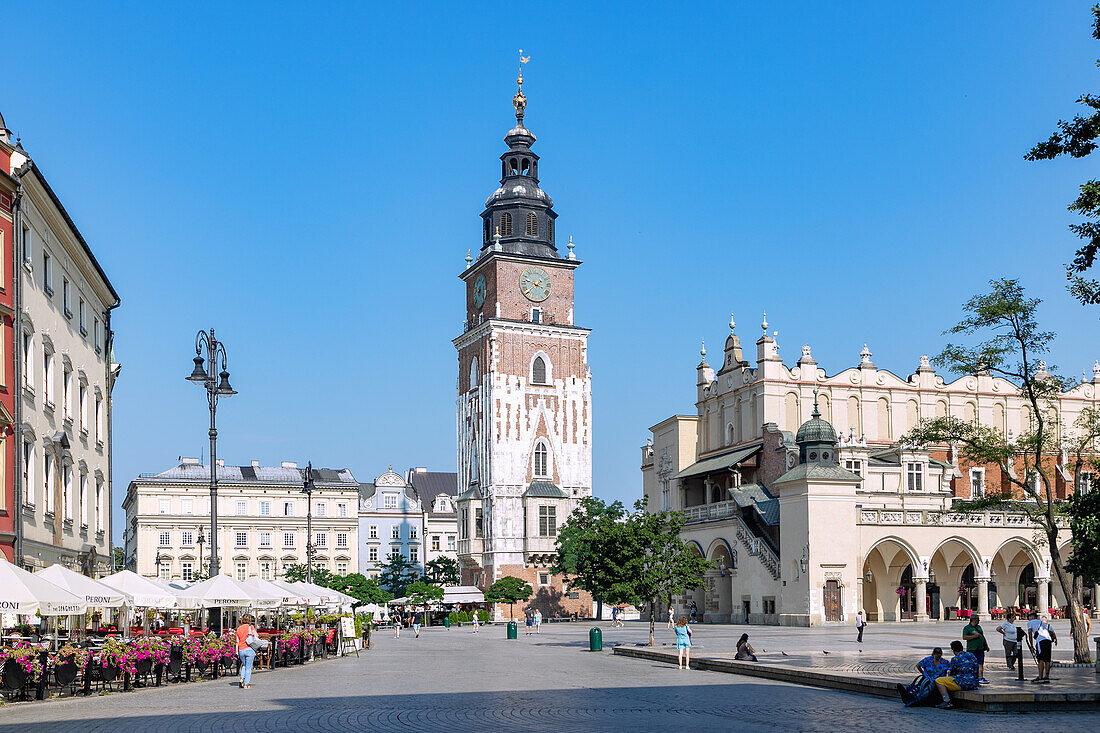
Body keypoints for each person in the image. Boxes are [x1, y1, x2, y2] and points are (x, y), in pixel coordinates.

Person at [933, 640, 980, 709]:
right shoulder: (971, 655)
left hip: (962, 683)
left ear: (953, 650)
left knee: (939, 681)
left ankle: (946, 701)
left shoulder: (955, 659)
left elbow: (952, 673)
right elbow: (976, 669)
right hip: (973, 683)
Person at [1027, 612, 1057, 683]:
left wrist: (1031, 646)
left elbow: (1030, 634)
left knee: (1040, 659)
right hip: (1048, 640)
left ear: (1031, 617)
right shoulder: (1041, 622)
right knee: (1047, 659)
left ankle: (1040, 677)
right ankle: (1046, 676)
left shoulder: (1030, 622)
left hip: (1041, 641)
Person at [961, 613, 989, 684]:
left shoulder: (979, 627)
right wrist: (973, 636)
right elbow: (964, 637)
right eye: (978, 619)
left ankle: (980, 677)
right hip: (972, 649)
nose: (979, 620)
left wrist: (986, 645)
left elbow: (982, 636)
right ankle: (972, 677)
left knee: (980, 663)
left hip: (980, 648)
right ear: (973, 619)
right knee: (971, 664)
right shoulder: (967, 628)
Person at [234, 613, 258, 689]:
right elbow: (256, 636)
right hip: (249, 649)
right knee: (248, 667)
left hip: (241, 649)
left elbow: (237, 641)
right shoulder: (250, 627)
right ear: (250, 620)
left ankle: (241, 678)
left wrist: (236, 651)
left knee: (244, 665)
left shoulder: (238, 629)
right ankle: (246, 683)